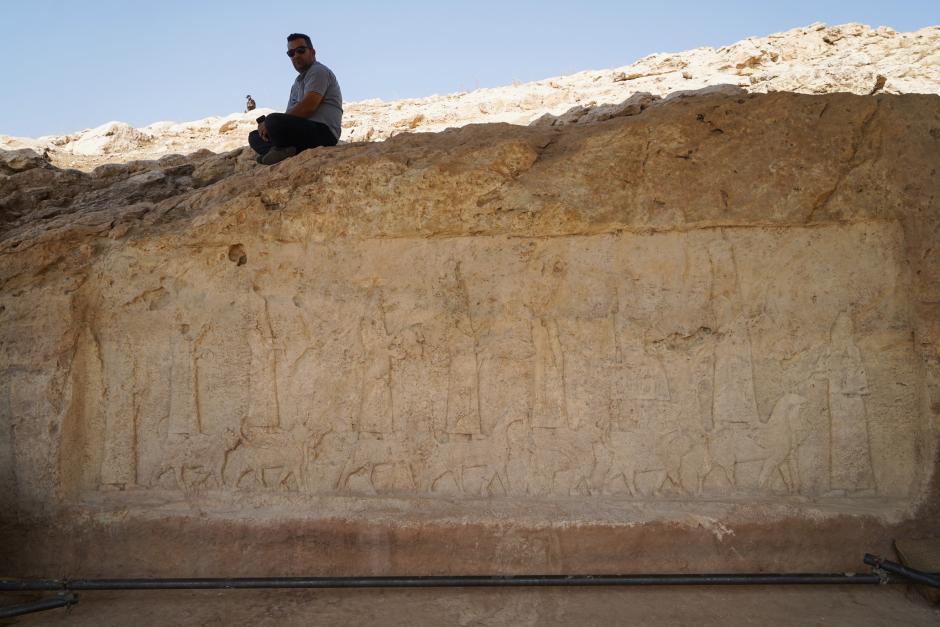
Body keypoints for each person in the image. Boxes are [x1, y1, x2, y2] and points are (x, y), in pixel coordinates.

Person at [249, 33, 343, 165]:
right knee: (254, 136)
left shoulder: (318, 71)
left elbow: (308, 106)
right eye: (291, 53)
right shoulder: (297, 83)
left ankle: (278, 150)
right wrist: (267, 128)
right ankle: (285, 150)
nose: (296, 55)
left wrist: (271, 124)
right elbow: (290, 116)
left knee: (272, 120)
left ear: (312, 52)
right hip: (303, 132)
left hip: (323, 132)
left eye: (301, 50)